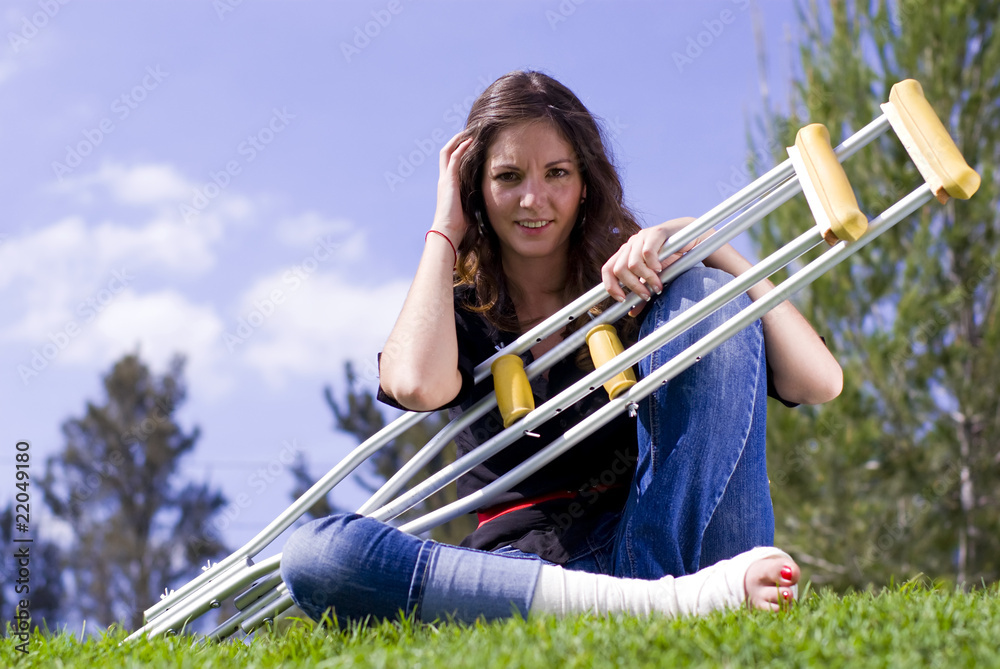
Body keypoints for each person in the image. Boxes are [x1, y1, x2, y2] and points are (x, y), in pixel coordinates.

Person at [280, 70, 842, 624]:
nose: (533, 198)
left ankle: (670, 595)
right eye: (507, 176)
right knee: (320, 554)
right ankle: (665, 608)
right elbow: (415, 384)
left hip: (667, 539)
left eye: (556, 173)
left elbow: (819, 382)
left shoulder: (634, 287)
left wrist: (705, 242)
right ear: (476, 188)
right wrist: (444, 230)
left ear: (584, 183)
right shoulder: (460, 308)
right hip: (532, 574)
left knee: (704, 290)